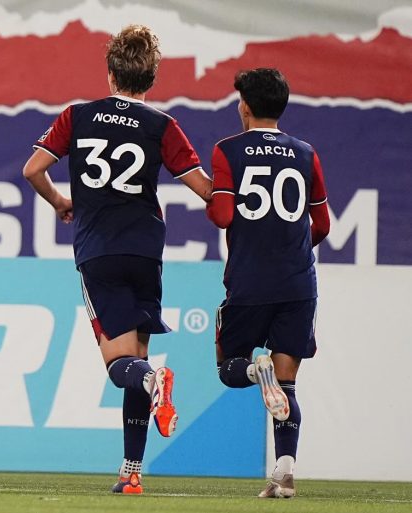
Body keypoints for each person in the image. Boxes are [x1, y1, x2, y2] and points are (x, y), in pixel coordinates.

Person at [23, 25, 213, 494]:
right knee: (139, 358)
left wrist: (60, 202)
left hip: (99, 251)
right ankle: (131, 473)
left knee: (121, 366)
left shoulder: (78, 116)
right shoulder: (163, 126)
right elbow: (205, 190)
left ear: (109, 73)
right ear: (151, 78)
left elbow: (32, 170)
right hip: (146, 250)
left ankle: (154, 382)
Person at [206, 68, 330, 498]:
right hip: (298, 282)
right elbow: (323, 225)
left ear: (244, 105)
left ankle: (258, 372)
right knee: (289, 383)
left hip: (249, 281)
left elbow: (222, 215)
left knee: (228, 367)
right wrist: (291, 245)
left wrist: (218, 202)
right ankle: (285, 473)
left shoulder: (228, 151)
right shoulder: (306, 152)